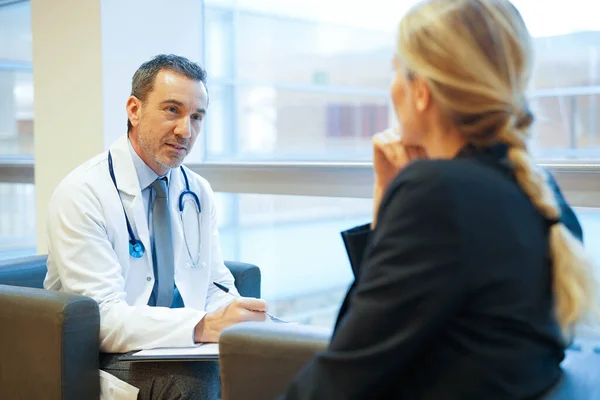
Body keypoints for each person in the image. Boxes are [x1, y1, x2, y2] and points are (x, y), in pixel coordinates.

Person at [280, 0, 598, 399]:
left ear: (421, 91)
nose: (392, 87)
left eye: (396, 71)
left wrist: (396, 191)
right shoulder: (537, 191)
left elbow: (345, 370)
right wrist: (388, 190)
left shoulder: (438, 192)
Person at [44, 54, 267, 400]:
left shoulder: (196, 191)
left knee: (274, 365)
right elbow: (101, 318)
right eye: (172, 110)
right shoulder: (82, 192)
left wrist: (237, 316)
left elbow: (213, 282)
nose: (185, 130)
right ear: (134, 110)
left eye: (196, 117)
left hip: (178, 346)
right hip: (102, 355)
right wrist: (204, 326)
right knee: (192, 386)